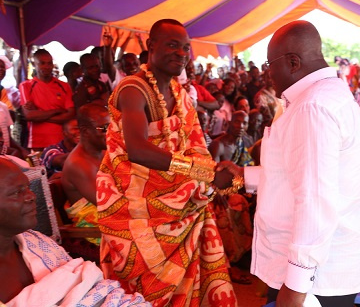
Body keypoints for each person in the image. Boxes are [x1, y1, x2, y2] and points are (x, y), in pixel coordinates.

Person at [222, 20, 360, 307]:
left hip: (316, 277)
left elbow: (315, 199)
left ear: (293, 62)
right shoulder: (324, 95)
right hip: (323, 267)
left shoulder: (312, 107)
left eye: (270, 64)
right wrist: (244, 175)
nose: (267, 73)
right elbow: (299, 174)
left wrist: (295, 285)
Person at [96, 19, 236, 306]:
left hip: (183, 204)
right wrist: (204, 173)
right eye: (172, 45)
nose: (181, 53)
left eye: (186, 48)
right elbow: (137, 150)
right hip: (134, 206)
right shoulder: (132, 89)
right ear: (151, 46)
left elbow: (195, 144)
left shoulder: (179, 93)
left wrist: (208, 177)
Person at [0, 158, 150, 306]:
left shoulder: (37, 243)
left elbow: (94, 291)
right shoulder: (78, 164)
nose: (31, 196)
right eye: (16, 193)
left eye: (27, 188)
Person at [62, 104, 109, 245]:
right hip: (95, 230)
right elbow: (107, 204)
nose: (111, 133)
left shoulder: (103, 152)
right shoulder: (78, 163)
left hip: (108, 219)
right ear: (85, 131)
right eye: (104, 129)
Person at [19, 49, 75, 150]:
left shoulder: (64, 86)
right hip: (37, 143)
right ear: (34, 64)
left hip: (61, 143)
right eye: (42, 63)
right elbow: (29, 115)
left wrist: (40, 115)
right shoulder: (26, 86)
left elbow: (70, 115)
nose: (47, 67)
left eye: (49, 63)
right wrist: (56, 111)